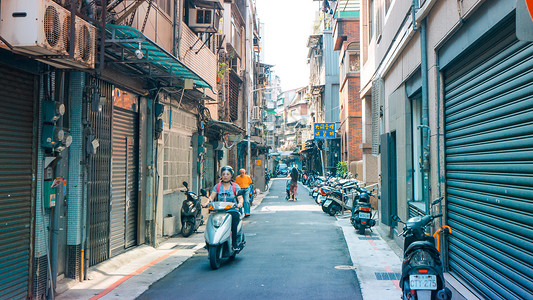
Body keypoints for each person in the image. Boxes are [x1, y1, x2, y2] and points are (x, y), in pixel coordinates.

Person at [204, 166, 244, 250]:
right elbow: (211, 197)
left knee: (234, 222)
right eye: (223, 174)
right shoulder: (217, 186)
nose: (225, 176)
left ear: (231, 175)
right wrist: (207, 202)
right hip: (219, 211)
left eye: (227, 174)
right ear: (221, 176)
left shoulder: (235, 186)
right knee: (210, 222)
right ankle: (209, 241)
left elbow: (240, 197)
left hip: (232, 210)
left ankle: (234, 244)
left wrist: (240, 203)